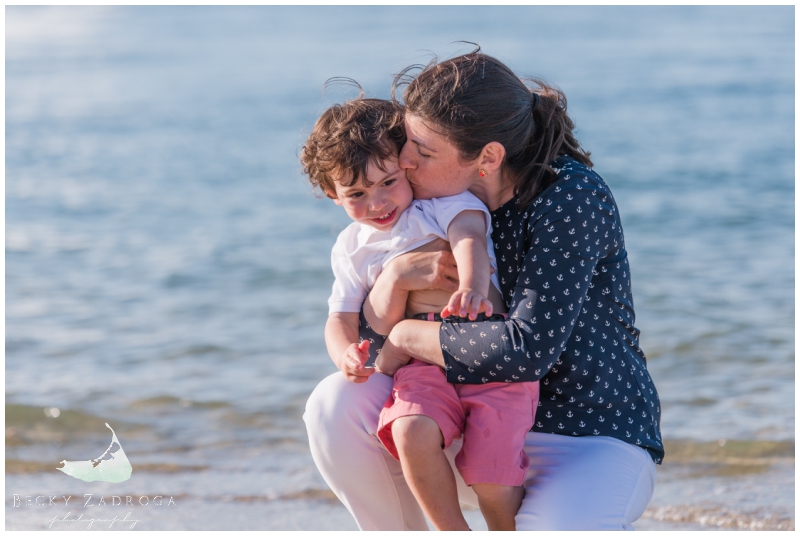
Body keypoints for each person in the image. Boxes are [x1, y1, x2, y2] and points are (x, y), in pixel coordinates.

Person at [304, 49, 663, 530]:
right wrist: (394, 278)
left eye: (423, 151)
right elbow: (366, 343)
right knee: (335, 404)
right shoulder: (422, 204)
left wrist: (409, 336)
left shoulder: (570, 196)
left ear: (488, 158)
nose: (404, 161)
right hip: (458, 408)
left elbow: (526, 348)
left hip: (584, 432)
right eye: (408, 142)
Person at [300, 96, 539, 530]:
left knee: (492, 474)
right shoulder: (352, 247)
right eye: (356, 194)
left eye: (388, 182)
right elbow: (340, 315)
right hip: (421, 364)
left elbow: (468, 235)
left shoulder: (433, 207)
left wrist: (472, 285)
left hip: (484, 344)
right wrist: (344, 355)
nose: (377, 203)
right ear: (333, 196)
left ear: (405, 166)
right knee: (411, 433)